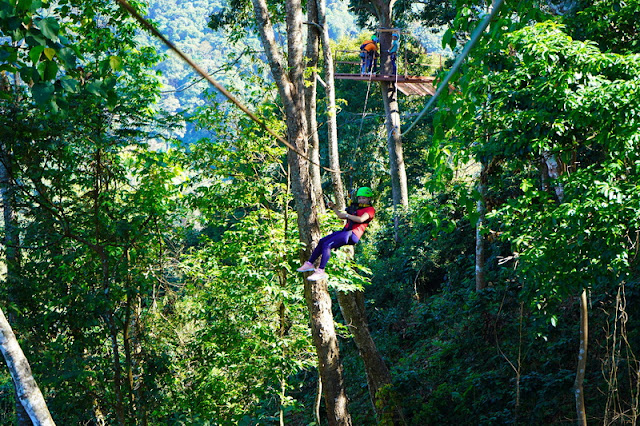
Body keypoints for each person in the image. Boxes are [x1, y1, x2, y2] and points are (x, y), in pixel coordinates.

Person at [297, 187, 376, 281]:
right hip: (346, 231)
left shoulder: (370, 210)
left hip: (353, 234)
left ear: (369, 199)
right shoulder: (357, 208)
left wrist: (347, 215)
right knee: (322, 241)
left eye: (364, 198)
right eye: (359, 198)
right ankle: (309, 264)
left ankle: (321, 271)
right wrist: (334, 207)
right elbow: (340, 216)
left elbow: (361, 219)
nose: (361, 200)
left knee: (327, 245)